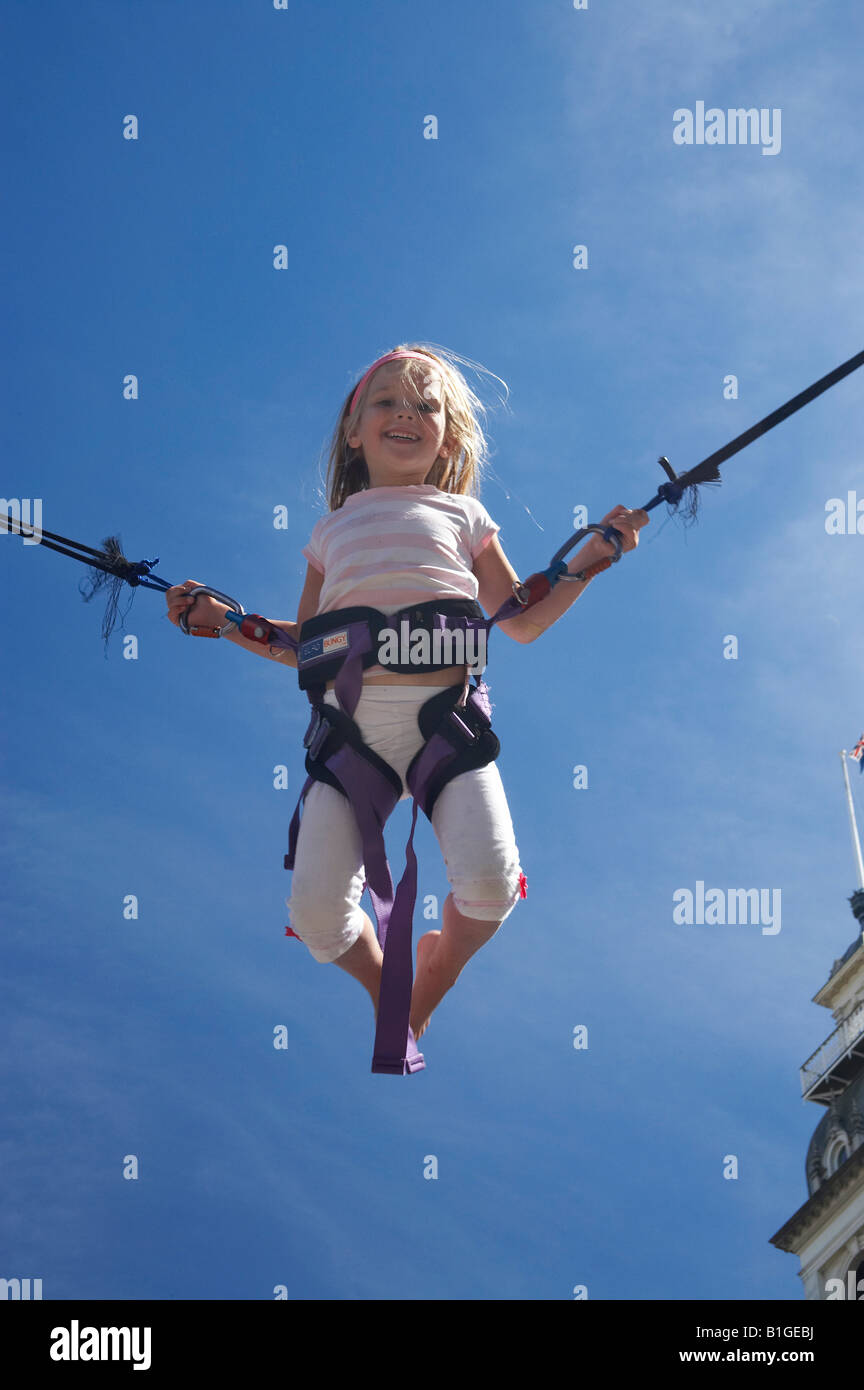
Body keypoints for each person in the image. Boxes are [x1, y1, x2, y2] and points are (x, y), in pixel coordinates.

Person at [165, 343, 648, 1045]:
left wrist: (591, 558)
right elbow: (304, 642)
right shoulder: (330, 533)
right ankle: (388, 991)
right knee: (318, 917)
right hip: (350, 730)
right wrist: (221, 619)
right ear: (353, 431)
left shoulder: (463, 514)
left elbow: (519, 618)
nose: (406, 415)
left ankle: (433, 977)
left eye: (426, 406)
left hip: (442, 721)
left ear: (448, 435)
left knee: (488, 888)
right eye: (387, 402)